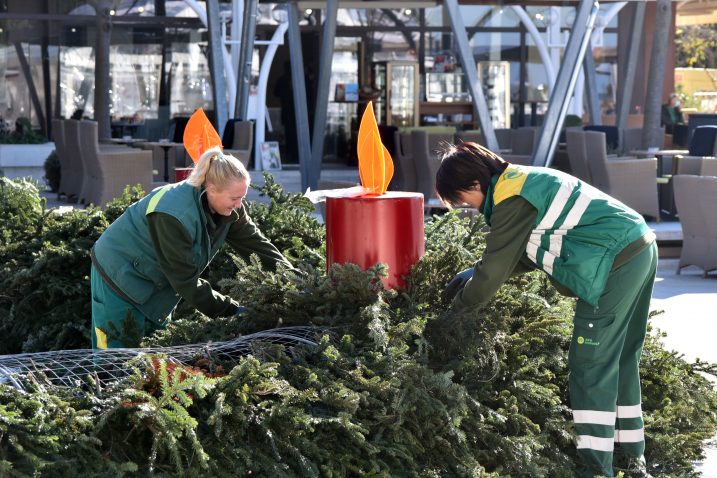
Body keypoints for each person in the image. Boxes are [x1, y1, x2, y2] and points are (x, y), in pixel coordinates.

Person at [436, 142, 657, 478]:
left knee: (590, 364)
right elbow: (524, 252)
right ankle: (632, 458)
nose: (466, 208)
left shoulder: (510, 197)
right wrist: (476, 270)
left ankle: (596, 469)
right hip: (637, 247)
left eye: (462, 200)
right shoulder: (523, 182)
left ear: (475, 185)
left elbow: (493, 275)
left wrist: (451, 318)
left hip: (616, 262)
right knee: (622, 357)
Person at [90, 147, 292, 349]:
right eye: (234, 199)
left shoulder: (231, 206)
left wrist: (294, 280)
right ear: (211, 188)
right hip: (118, 275)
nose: (239, 205)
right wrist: (235, 312)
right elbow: (185, 280)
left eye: (242, 197)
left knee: (156, 353)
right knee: (115, 356)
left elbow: (256, 244)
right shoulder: (173, 214)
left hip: (156, 279)